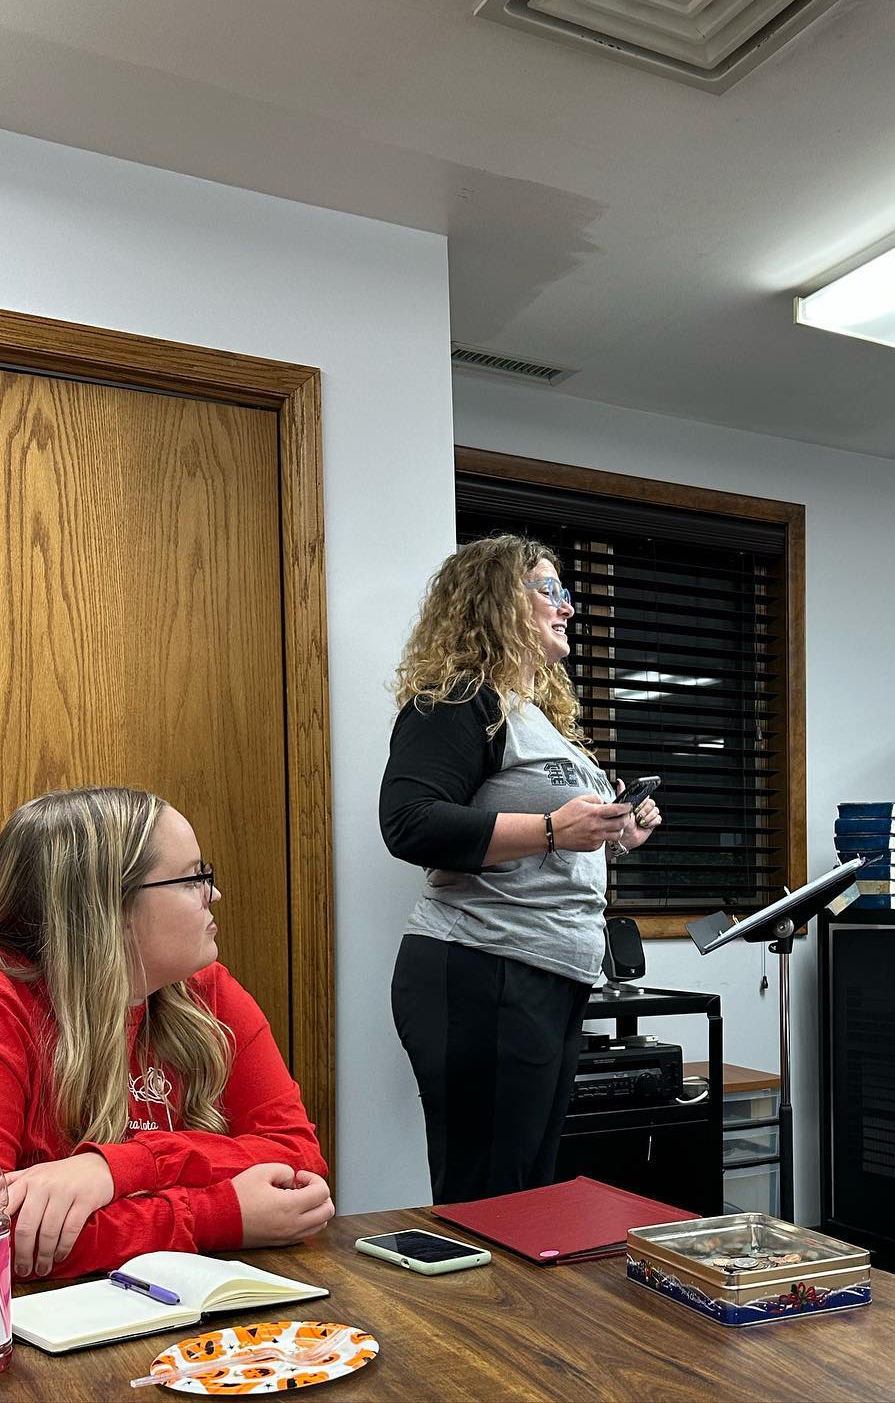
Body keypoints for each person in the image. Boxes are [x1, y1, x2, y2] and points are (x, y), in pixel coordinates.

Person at [379, 534, 662, 1205]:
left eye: (565, 593)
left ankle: (508, 1314)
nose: (566, 607)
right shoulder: (457, 699)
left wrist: (616, 832)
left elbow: (556, 845)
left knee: (528, 1194)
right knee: (490, 1196)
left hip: (549, 970)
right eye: (548, 590)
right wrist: (551, 829)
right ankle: (466, 1317)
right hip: (482, 965)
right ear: (495, 603)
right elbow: (409, 821)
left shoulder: (538, 721)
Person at [0, 786, 333, 1281]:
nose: (214, 893)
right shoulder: (9, 1004)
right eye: (193, 877)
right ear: (109, 907)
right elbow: (10, 1237)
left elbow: (297, 1164)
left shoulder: (206, 989)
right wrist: (215, 1215)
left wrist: (119, 1169)